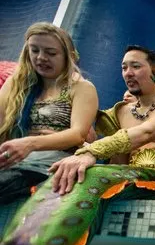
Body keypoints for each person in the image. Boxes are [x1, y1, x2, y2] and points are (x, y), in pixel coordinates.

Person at [1, 45, 155, 245]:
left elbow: (147, 131)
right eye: (124, 67)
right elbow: (98, 146)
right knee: (72, 173)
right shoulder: (118, 112)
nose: (128, 72)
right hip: (124, 180)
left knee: (93, 173)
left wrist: (92, 151)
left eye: (136, 66)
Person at [0, 22, 97, 204]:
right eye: (34, 50)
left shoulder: (81, 88)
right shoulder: (15, 84)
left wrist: (30, 143)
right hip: (12, 163)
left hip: (50, 165)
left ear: (68, 57)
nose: (41, 57)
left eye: (51, 53)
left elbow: (78, 134)